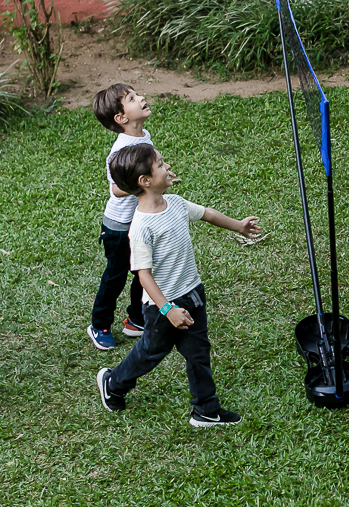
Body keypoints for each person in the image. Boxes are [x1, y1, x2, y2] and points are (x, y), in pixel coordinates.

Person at [97, 145, 260, 426]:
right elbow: (143, 275)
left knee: (198, 352)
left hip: (193, 292)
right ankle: (113, 383)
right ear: (144, 181)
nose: (167, 167)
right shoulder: (141, 227)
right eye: (160, 165)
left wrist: (239, 226)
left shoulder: (175, 202)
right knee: (150, 351)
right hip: (164, 306)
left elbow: (207, 213)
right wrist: (167, 309)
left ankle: (206, 410)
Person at [87, 83, 153, 351]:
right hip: (118, 227)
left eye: (137, 95)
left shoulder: (144, 135)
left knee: (143, 271)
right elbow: (115, 189)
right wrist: (143, 183)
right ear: (121, 118)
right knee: (115, 276)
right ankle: (99, 324)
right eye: (132, 98)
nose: (142, 98)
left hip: (140, 221)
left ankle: (136, 320)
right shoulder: (121, 149)